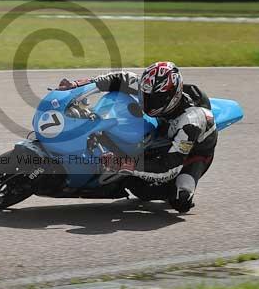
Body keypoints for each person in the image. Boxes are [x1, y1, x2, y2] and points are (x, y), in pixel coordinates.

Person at [58, 62, 217, 213]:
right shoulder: (149, 88)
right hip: (162, 128)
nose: (147, 102)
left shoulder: (189, 123)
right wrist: (79, 85)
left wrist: (125, 165)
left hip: (193, 151)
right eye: (144, 95)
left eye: (153, 99)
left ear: (171, 97)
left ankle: (183, 192)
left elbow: (168, 168)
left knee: (176, 197)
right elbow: (120, 78)